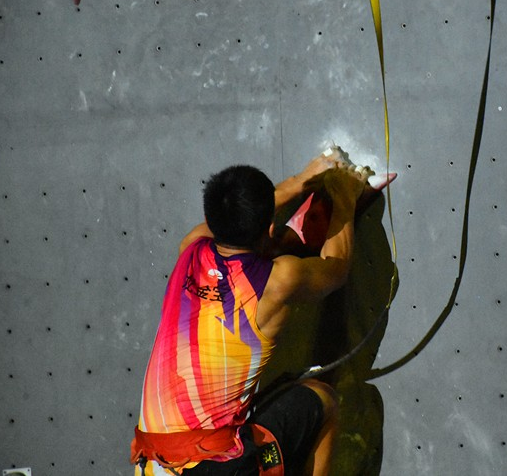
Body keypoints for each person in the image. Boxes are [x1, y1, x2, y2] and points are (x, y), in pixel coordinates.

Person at [131, 153, 371, 476]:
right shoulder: (279, 281)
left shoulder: (191, 247)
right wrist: (344, 194)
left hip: (154, 464)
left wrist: (300, 181)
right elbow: (336, 269)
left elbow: (240, 228)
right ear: (267, 226)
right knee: (323, 400)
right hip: (213, 468)